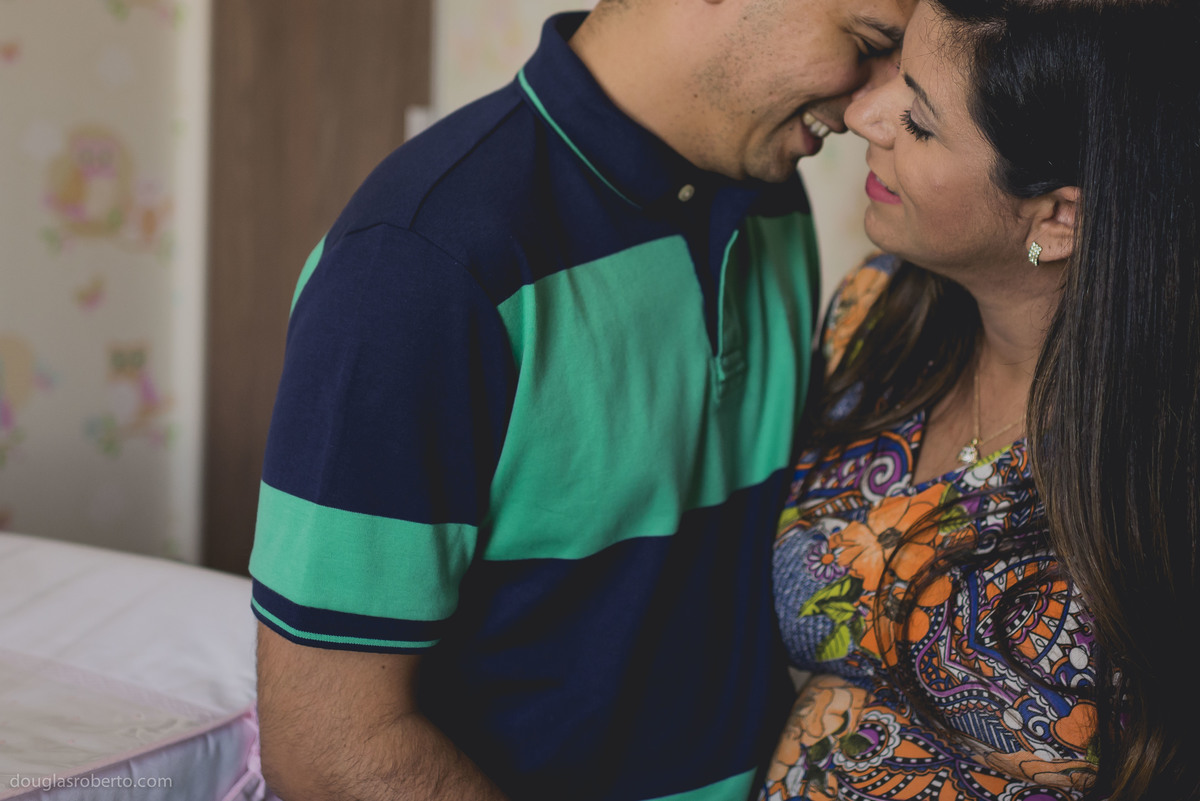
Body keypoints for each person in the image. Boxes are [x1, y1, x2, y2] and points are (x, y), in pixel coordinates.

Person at [248, 0, 915, 799]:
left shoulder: (770, 195)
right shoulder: (419, 265)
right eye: (869, 44)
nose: (879, 103)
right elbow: (327, 746)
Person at [763, 0, 1200, 798]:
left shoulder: (1165, 466)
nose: (863, 114)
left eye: (919, 121)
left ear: (1059, 217)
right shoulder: (872, 315)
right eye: (895, 71)